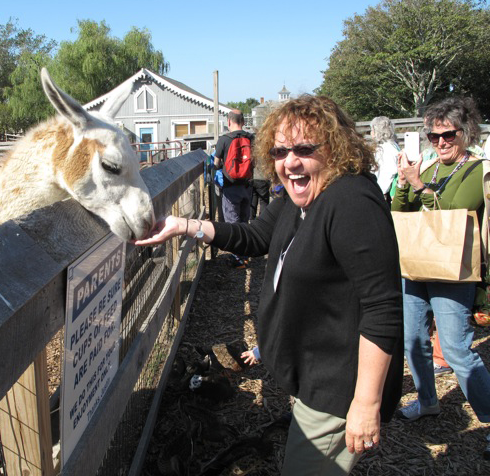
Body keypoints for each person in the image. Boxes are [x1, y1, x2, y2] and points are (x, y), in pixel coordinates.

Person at [137, 95, 404, 475]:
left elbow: (383, 308)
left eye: (304, 149)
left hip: (337, 389)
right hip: (314, 377)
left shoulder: (351, 202)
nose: (289, 162)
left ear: (337, 147)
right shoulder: (302, 196)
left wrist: (365, 402)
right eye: (279, 151)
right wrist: (184, 226)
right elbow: (257, 236)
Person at [392, 96, 490, 460]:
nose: (440, 143)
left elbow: (452, 214)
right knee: (413, 339)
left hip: (453, 271)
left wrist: (418, 186)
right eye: (433, 137)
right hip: (417, 265)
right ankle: (427, 400)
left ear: (466, 132)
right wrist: (405, 183)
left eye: (448, 135)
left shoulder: (478, 171)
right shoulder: (430, 169)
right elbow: (401, 212)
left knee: (457, 350)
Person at [214, 109, 254, 268]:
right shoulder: (251, 138)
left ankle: (239, 260)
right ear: (243, 122)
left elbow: (216, 163)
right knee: (244, 221)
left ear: (228, 122)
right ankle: (245, 254)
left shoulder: (224, 139)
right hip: (247, 185)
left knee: (232, 222)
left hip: (230, 188)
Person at [370, 116, 400, 202]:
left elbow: (389, 173)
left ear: (377, 131)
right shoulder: (393, 145)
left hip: (386, 194)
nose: (371, 133)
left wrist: (381, 192)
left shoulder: (385, 149)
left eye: (372, 130)